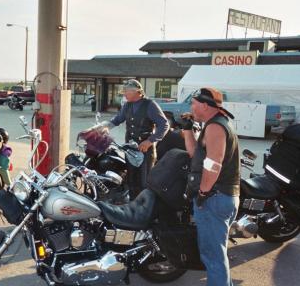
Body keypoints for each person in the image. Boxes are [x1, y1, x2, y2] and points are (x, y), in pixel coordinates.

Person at [182, 87, 240, 286]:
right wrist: (187, 128)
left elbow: (213, 164)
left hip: (215, 198)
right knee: (216, 254)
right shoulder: (213, 125)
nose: (191, 107)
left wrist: (203, 192)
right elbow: (194, 154)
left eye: (194, 103)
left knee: (213, 257)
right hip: (219, 197)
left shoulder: (215, 127)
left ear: (205, 105)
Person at [103, 79, 169, 199]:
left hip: (145, 148)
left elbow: (164, 125)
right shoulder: (127, 105)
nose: (124, 94)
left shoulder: (150, 105)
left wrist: (150, 141)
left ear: (137, 92)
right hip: (130, 148)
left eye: (126, 92)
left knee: (145, 182)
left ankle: (146, 210)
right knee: (131, 180)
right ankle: (132, 207)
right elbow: (117, 120)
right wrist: (104, 127)